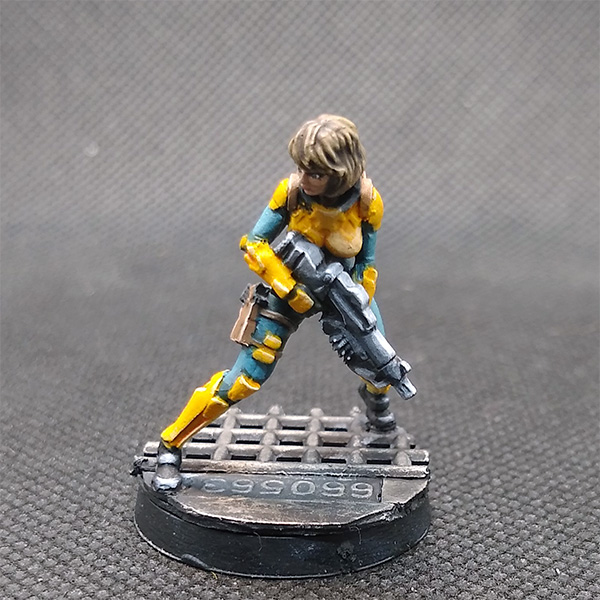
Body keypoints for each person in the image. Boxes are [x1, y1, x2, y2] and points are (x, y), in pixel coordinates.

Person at [153, 114, 414, 492]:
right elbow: (254, 244)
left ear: (339, 172)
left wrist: (360, 299)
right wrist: (289, 288)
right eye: (302, 168)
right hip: (289, 288)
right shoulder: (292, 193)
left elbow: (366, 262)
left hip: (342, 293)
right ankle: (171, 443)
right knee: (244, 380)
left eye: (315, 173)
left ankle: (376, 403)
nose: (304, 177)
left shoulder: (367, 201)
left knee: (379, 358)